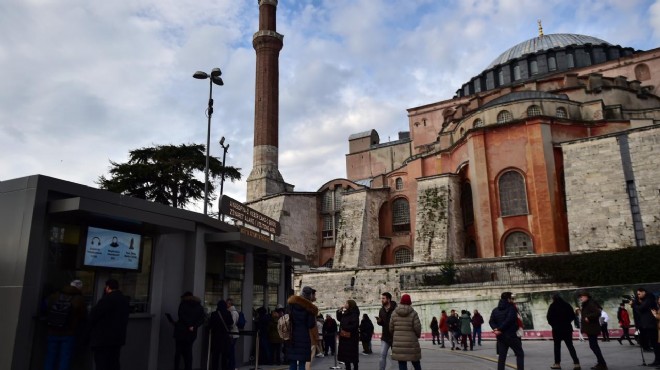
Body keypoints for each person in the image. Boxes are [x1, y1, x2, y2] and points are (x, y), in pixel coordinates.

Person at [43, 279, 87, 370]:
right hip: (69, 333)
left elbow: (46, 308)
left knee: (50, 358)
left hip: (53, 330)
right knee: (65, 360)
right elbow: (83, 316)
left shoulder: (55, 295)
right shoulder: (79, 299)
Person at [88, 279, 130, 370]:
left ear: (107, 287)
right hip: (117, 339)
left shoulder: (107, 299)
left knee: (102, 364)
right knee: (114, 363)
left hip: (103, 340)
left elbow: (94, 315)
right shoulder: (124, 300)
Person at [489, 291, 524, 370]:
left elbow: (491, 321)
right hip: (511, 336)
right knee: (519, 354)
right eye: (511, 298)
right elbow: (509, 320)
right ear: (508, 299)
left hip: (501, 337)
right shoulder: (512, 308)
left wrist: (496, 329)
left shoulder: (495, 310)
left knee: (502, 357)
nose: (513, 300)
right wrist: (499, 329)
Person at [286, 286, 318, 370]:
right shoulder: (309, 308)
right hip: (304, 337)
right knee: (302, 363)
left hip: (292, 336)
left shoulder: (291, 304)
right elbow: (310, 324)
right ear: (310, 295)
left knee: (292, 362)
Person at [546, 294, 581, 370]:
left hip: (557, 330)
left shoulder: (552, 306)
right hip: (567, 328)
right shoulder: (567, 305)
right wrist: (567, 322)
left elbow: (548, 317)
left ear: (553, 299)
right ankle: (576, 363)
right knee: (570, 346)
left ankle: (557, 363)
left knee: (557, 347)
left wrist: (554, 325)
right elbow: (572, 316)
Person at [173, 291, 206, 370]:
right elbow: (202, 319)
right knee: (188, 352)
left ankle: (176, 368)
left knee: (178, 352)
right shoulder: (199, 307)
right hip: (191, 333)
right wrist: (193, 326)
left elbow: (181, 316)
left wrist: (188, 325)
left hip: (181, 332)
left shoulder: (183, 304)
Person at [389, 294, 422, 370]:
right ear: (410, 302)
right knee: (416, 362)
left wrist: (395, 335)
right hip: (412, 342)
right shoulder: (413, 313)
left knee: (402, 363)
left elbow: (391, 328)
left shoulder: (394, 313)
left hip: (399, 343)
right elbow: (417, 328)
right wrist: (418, 335)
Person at [578, 290, 607, 370]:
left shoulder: (590, 303)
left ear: (586, 296)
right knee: (594, 346)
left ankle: (602, 364)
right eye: (580, 297)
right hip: (591, 328)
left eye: (582, 297)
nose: (581, 298)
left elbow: (598, 312)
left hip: (592, 328)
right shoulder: (587, 303)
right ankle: (601, 362)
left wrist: (588, 317)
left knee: (594, 346)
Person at [632, 287, 660, 367]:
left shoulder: (649, 298)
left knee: (655, 344)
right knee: (653, 343)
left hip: (651, 325)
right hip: (646, 325)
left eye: (639, 294)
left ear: (644, 292)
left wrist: (634, 304)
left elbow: (641, 308)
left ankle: (658, 360)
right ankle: (657, 360)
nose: (638, 295)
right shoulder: (644, 300)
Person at [209, 300, 233, 370]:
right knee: (224, 356)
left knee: (215, 356)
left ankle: (214, 368)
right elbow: (231, 322)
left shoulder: (214, 314)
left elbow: (211, 325)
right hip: (225, 337)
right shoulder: (228, 313)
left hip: (216, 337)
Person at [376, 292, 397, 370]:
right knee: (382, 355)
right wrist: (379, 321)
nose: (382, 300)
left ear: (388, 299)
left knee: (397, 357)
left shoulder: (396, 309)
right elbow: (382, 324)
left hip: (395, 337)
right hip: (385, 337)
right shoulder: (381, 310)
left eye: (383, 298)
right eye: (382, 298)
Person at [337, 300, 360, 370]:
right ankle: (347, 367)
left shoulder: (354, 313)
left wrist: (344, 328)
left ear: (350, 304)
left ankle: (355, 367)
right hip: (344, 337)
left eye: (346, 303)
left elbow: (355, 325)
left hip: (351, 338)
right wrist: (339, 311)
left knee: (352, 355)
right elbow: (339, 319)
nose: (345, 304)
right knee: (345, 356)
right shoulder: (346, 313)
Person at [225, 298, 240, 370]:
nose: (226, 304)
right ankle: (231, 366)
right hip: (233, 334)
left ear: (230, 304)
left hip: (233, 334)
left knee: (231, 351)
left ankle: (232, 366)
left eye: (227, 303)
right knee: (231, 350)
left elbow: (232, 323)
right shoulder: (232, 312)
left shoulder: (233, 312)